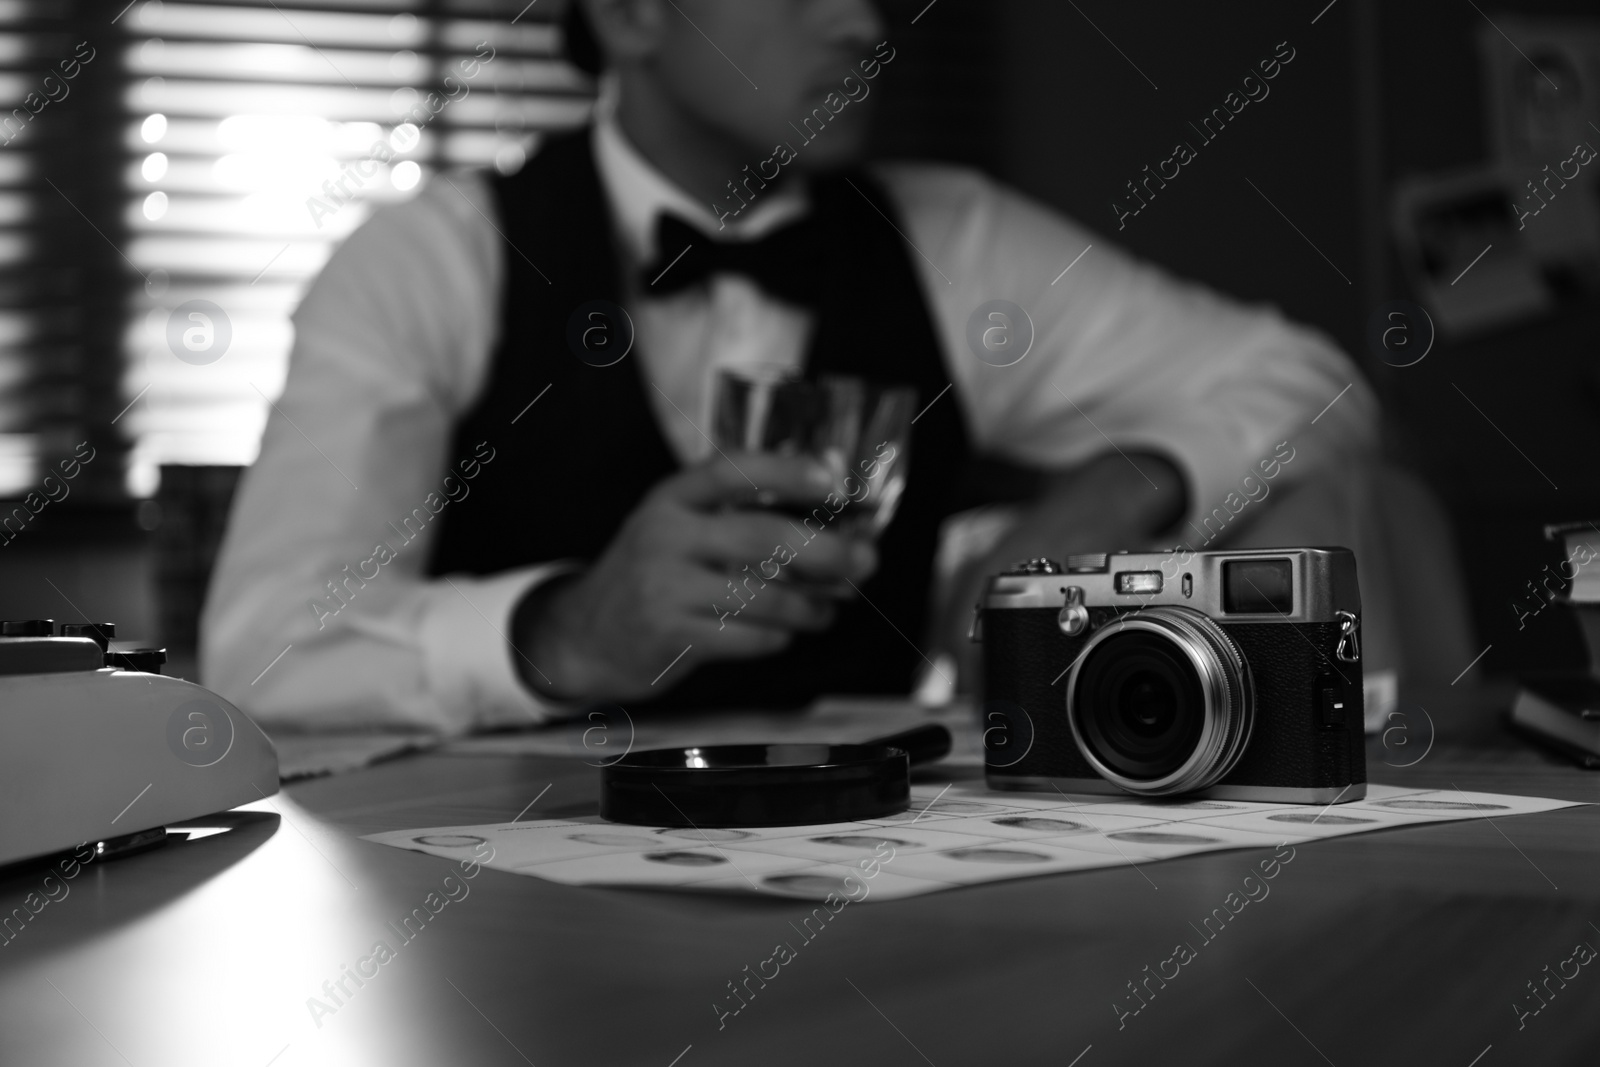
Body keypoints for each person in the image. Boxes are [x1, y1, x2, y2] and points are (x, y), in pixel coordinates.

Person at [200, 0, 1377, 734]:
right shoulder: (426, 263)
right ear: (628, 15)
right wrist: (565, 631)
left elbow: (1311, 378)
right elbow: (265, 647)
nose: (864, 22)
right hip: (502, 894)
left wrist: (1128, 486)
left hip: (879, 872)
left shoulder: (952, 241)